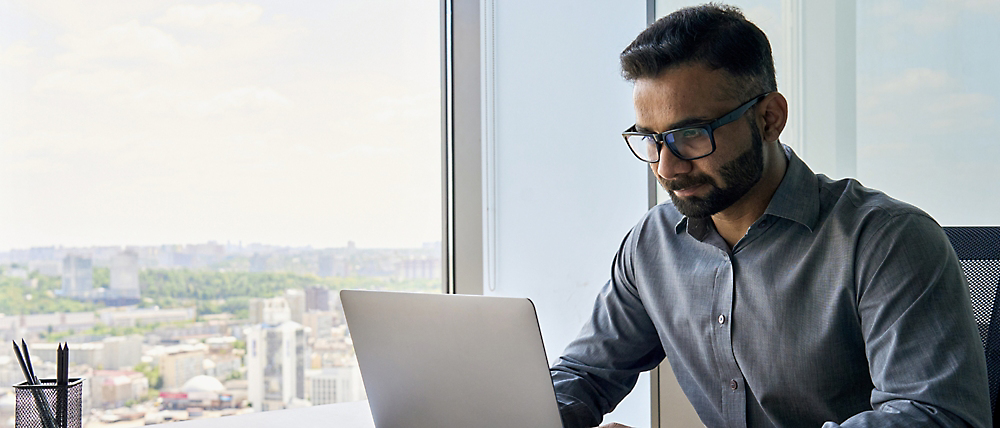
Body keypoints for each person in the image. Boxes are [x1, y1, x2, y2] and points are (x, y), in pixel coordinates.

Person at [549, 4, 991, 428]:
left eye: (691, 135)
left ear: (769, 118)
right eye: (651, 139)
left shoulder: (887, 242)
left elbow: (935, 416)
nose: (667, 167)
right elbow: (585, 376)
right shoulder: (653, 244)